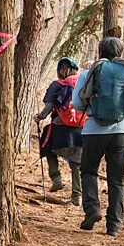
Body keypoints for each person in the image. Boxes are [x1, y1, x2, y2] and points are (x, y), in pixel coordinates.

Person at [71, 36, 124, 236]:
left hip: (94, 130)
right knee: (117, 180)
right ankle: (114, 225)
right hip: (122, 132)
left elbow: (77, 104)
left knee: (88, 171)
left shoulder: (89, 73)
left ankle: (92, 209)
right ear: (120, 53)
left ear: (100, 52)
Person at [35, 57, 84, 205]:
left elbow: (49, 107)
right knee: (76, 163)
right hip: (81, 129)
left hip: (60, 129)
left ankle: (56, 177)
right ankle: (77, 196)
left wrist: (40, 117)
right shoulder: (83, 85)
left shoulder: (57, 85)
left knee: (47, 147)